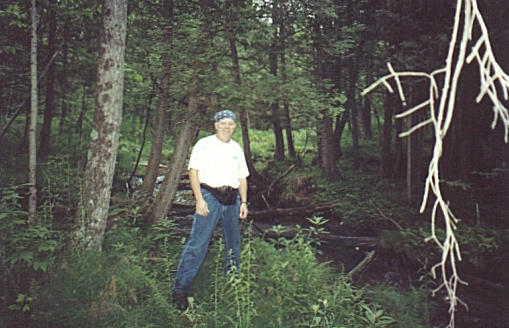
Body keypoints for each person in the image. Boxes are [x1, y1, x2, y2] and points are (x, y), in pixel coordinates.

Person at [172, 109, 249, 311]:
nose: (227, 127)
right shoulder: (204, 145)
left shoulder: (236, 148)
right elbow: (193, 172)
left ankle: (232, 285)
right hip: (209, 197)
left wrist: (244, 202)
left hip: (232, 199)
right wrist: (199, 200)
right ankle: (180, 290)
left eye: (230, 124)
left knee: (233, 243)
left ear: (234, 126)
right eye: (223, 123)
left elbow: (242, 177)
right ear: (216, 125)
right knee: (198, 243)